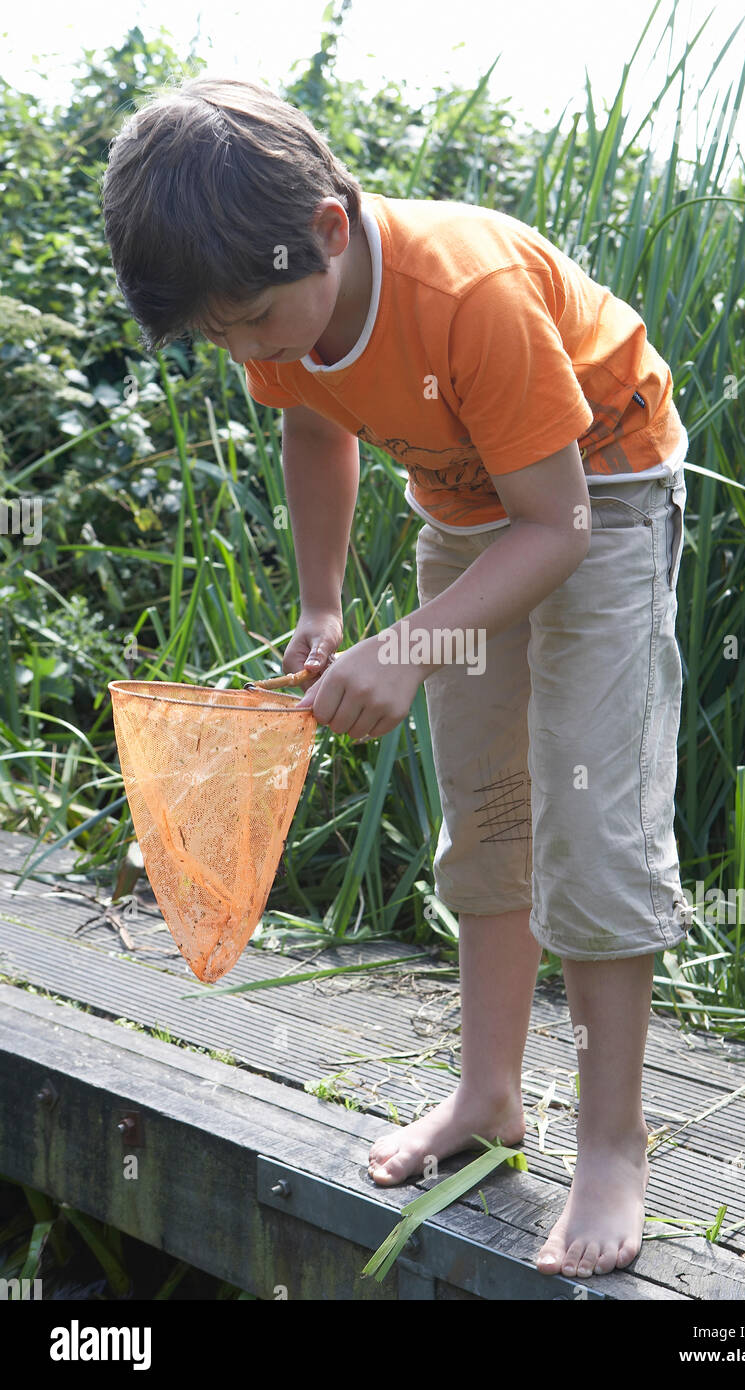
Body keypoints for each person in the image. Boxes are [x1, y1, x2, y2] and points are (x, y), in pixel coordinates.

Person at [102, 76, 693, 1280]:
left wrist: (407, 646)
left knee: (588, 817)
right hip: (477, 512)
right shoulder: (278, 303)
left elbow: (563, 524)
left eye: (257, 322)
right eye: (223, 337)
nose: (251, 351)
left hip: (602, 498)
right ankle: (487, 1096)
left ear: (327, 228)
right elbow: (313, 426)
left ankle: (612, 1141)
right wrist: (327, 606)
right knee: (487, 810)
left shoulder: (460, 291)